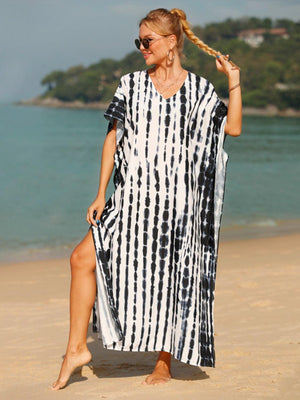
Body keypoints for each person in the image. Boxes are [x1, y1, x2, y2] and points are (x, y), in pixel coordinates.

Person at [52, 7, 242, 390]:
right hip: (130, 200)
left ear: (171, 43)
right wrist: (102, 192)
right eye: (138, 41)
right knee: (81, 259)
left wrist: (234, 81)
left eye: (148, 40)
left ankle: (163, 362)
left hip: (176, 208)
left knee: (169, 279)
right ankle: (77, 348)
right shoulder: (131, 85)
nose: (142, 47)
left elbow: (232, 128)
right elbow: (113, 139)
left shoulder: (200, 90)